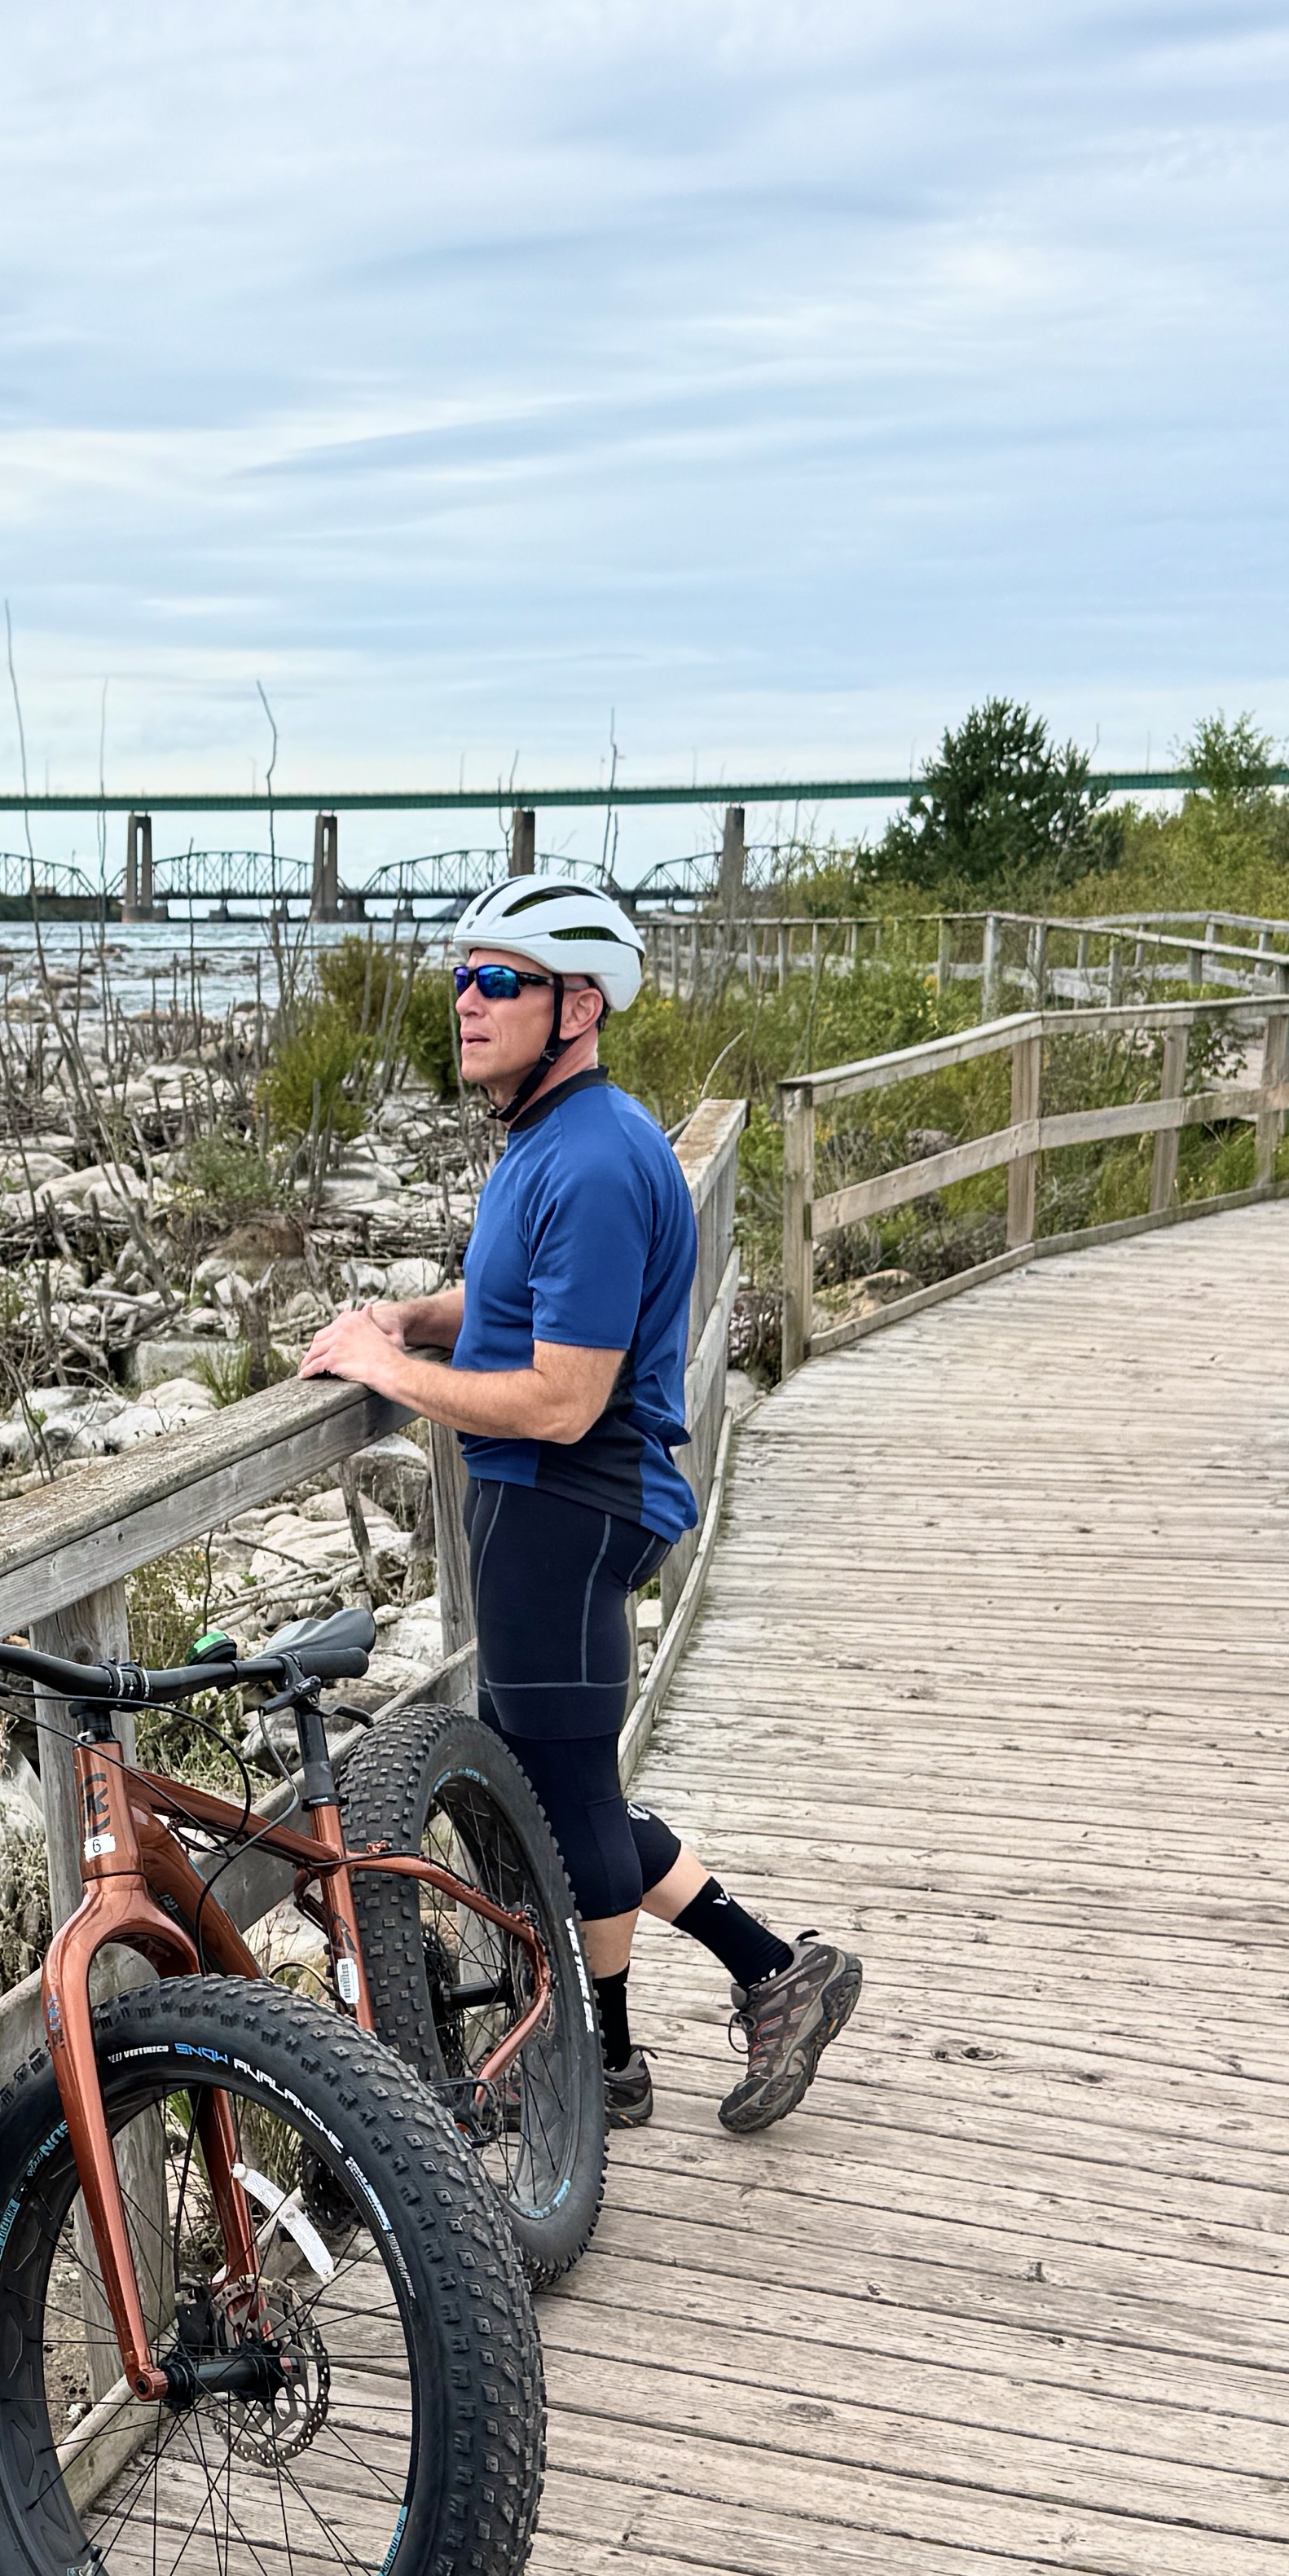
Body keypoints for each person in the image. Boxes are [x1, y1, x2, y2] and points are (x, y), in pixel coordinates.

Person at [299, 873, 860, 2132]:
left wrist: (394, 1374)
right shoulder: (546, 1143)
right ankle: (731, 1995)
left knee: (563, 1799)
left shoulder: (600, 1160)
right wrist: (413, 1316)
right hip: (545, 1501)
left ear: (581, 1003)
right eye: (462, 979)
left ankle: (649, 2039)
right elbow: (515, 1301)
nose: (467, 1003)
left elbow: (561, 1394)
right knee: (557, 1781)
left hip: (569, 1494)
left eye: (501, 981)